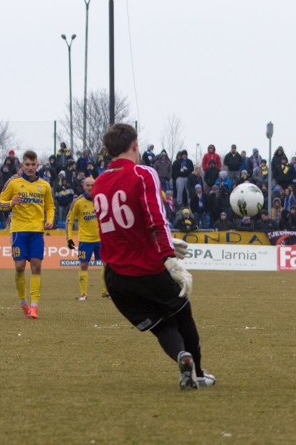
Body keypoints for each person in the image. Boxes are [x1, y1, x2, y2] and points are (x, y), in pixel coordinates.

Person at [93, 123, 214, 390]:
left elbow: (126, 226)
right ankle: (199, 372)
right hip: (148, 269)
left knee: (161, 327)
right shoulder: (142, 173)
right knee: (183, 314)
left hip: (115, 277)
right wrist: (168, 257)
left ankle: (181, 357)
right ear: (135, 145)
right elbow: (154, 219)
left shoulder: (99, 183)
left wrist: (165, 243)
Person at [0, 150, 55, 319]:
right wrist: (10, 203)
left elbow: (50, 206)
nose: (30, 168)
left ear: (37, 166)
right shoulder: (14, 183)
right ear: (22, 166)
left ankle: (35, 307)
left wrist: (49, 220)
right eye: (27, 165)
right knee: (19, 267)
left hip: (37, 231)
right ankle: (24, 303)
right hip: (18, 231)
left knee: (36, 266)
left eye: (33, 165)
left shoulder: (44, 185)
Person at [66, 177, 109, 301]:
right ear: (83, 186)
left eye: (92, 185)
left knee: (107, 265)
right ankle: (83, 294)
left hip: (101, 239)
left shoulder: (101, 199)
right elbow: (69, 220)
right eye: (88, 185)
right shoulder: (78, 202)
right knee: (84, 265)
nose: (90, 188)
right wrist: (69, 238)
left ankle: (106, 291)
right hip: (85, 239)